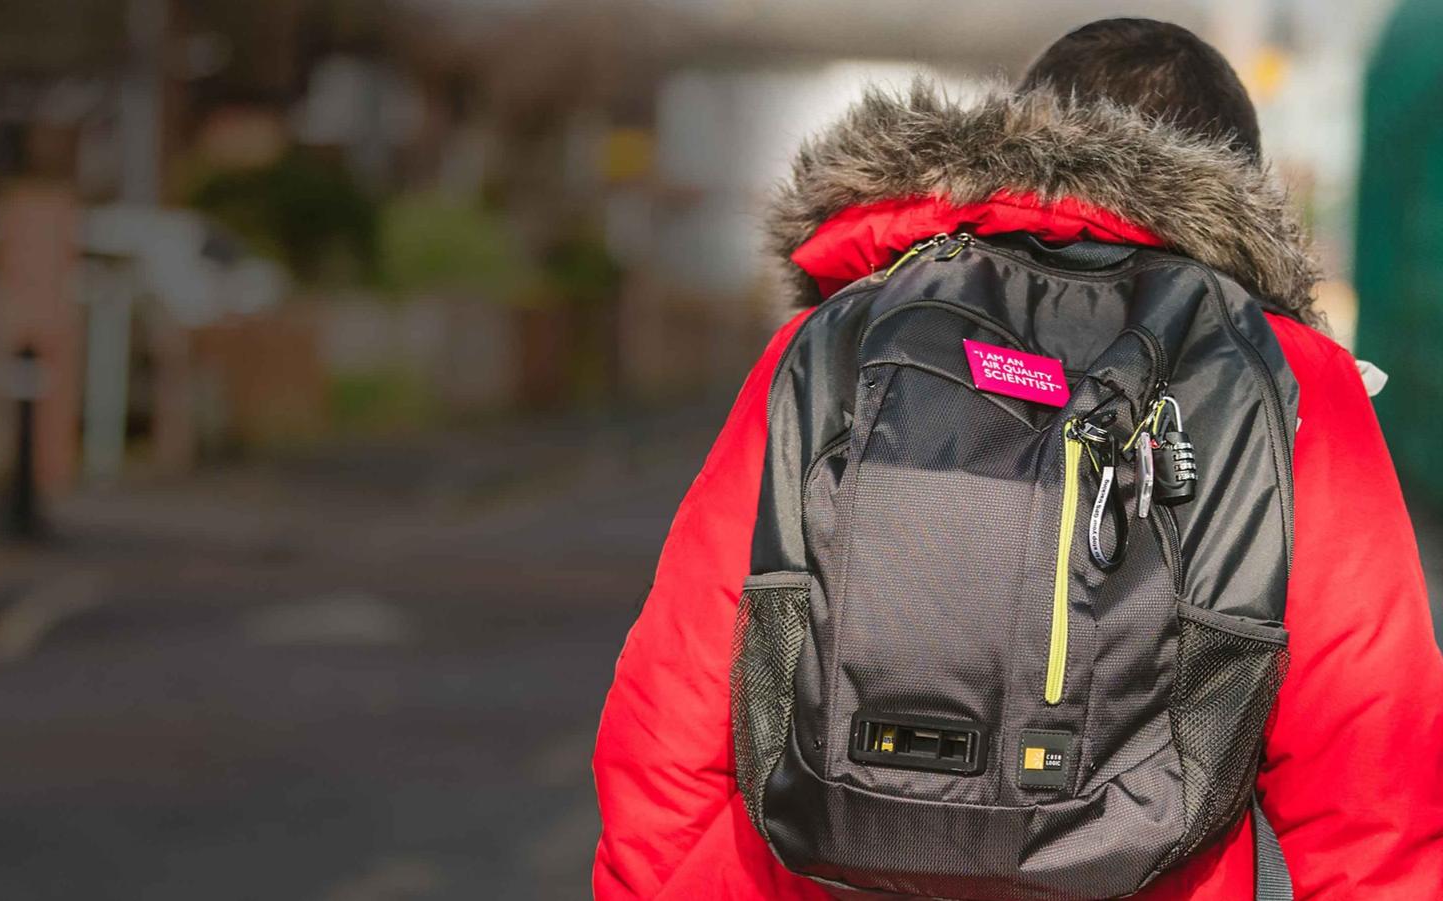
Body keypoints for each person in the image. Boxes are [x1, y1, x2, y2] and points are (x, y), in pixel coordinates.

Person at [592, 18, 1443, 899]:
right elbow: (1371, 768)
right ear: (1240, 185)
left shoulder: (838, 341)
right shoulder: (1282, 374)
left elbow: (674, 709)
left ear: (1017, 131)